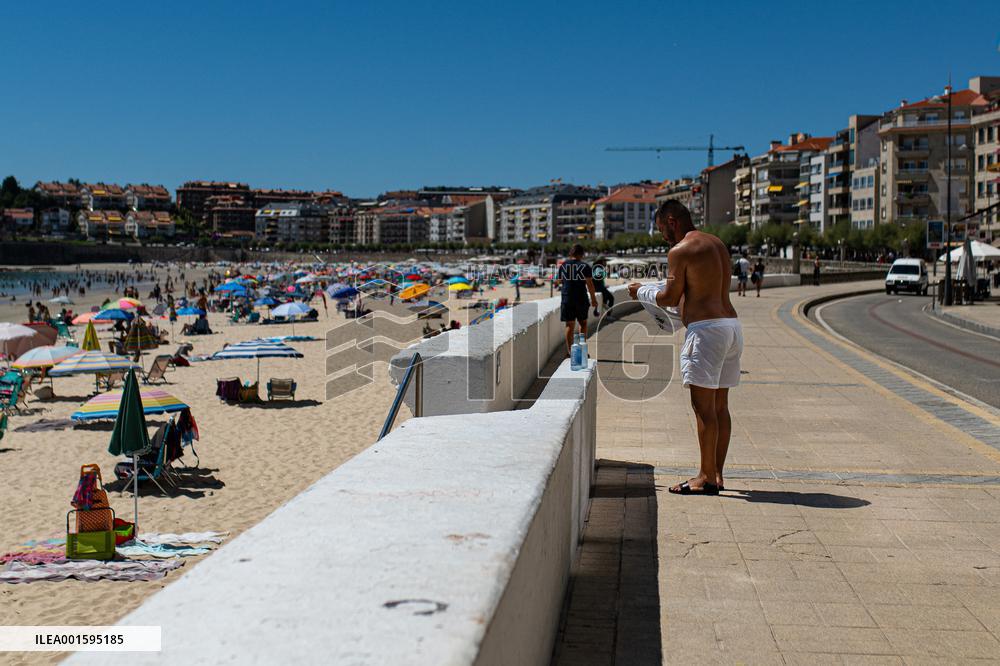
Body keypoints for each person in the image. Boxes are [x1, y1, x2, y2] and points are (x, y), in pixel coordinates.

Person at [628, 200, 742, 495]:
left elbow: (669, 297)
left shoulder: (680, 251)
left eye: (661, 229)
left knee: (703, 408)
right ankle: (717, 474)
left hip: (707, 332)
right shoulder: (716, 244)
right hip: (731, 326)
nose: (662, 236)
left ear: (671, 221)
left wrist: (641, 291)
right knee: (720, 407)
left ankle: (705, 478)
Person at [555, 244, 599, 355]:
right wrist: (594, 299)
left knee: (569, 325)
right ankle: (582, 350)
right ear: (582, 254)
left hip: (567, 298)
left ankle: (570, 352)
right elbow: (590, 284)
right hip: (581, 298)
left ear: (571, 253)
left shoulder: (564, 265)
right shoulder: (585, 266)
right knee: (583, 324)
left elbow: (558, 281)